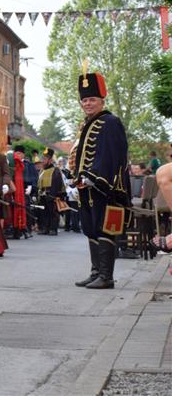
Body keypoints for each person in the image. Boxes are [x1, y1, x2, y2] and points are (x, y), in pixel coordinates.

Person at [71, 69, 129, 290]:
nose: (87, 103)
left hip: (105, 187)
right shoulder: (87, 124)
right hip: (87, 186)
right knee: (91, 227)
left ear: (101, 100)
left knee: (105, 228)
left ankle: (107, 276)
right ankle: (96, 272)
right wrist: (76, 178)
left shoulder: (110, 122)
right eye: (84, 100)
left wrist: (94, 177)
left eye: (92, 99)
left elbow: (111, 155)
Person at [37, 148, 65, 236]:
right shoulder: (42, 170)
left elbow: (57, 184)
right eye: (43, 158)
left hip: (51, 195)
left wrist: (52, 196)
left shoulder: (55, 170)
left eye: (45, 159)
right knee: (43, 213)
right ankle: (45, 228)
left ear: (50, 160)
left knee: (53, 212)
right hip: (42, 195)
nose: (43, 160)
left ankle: (53, 229)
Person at [11, 145, 30, 239]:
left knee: (22, 207)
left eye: (20, 154)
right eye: (17, 153)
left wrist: (30, 187)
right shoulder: (12, 161)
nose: (18, 155)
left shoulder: (25, 164)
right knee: (15, 208)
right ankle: (16, 229)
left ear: (23, 154)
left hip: (22, 189)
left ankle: (21, 228)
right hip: (14, 188)